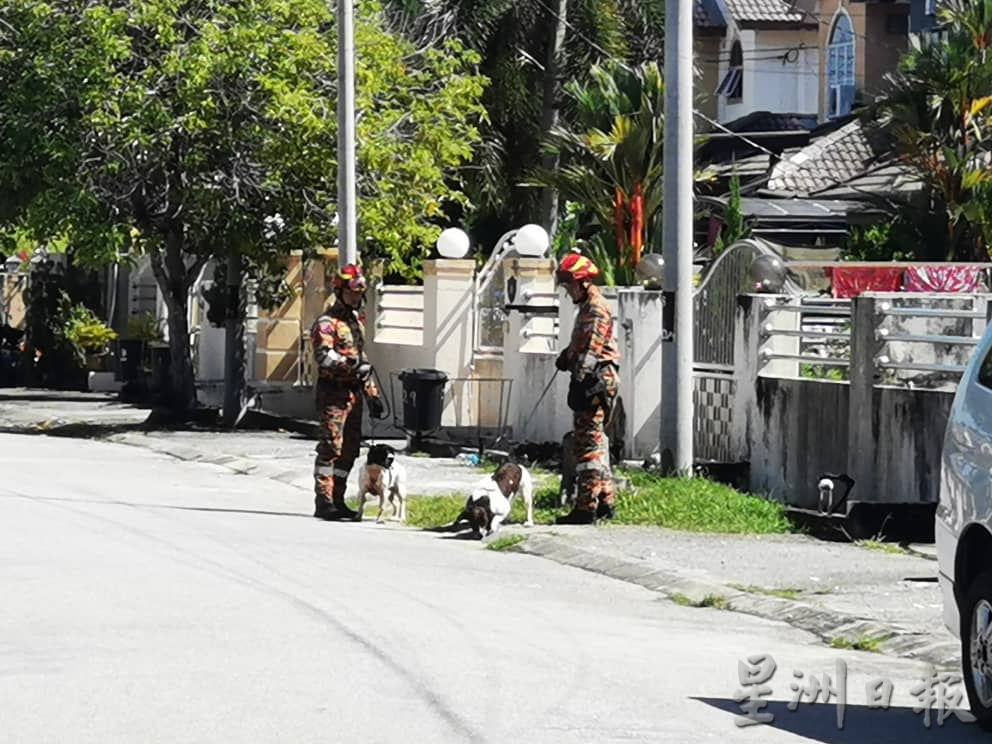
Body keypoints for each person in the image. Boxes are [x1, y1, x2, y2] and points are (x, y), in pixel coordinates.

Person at [310, 263, 386, 521]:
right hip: (334, 393)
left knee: (350, 449)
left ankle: (339, 499)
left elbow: (361, 359)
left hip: (354, 394)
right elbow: (324, 356)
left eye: (359, 293)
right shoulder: (326, 323)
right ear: (340, 291)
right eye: (352, 293)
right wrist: (348, 364)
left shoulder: (355, 324)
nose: (356, 297)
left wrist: (372, 394)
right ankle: (324, 500)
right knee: (331, 446)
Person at [553, 250, 621, 525]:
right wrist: (567, 356)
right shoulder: (587, 306)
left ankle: (585, 507)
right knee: (593, 441)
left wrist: (579, 376)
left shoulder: (595, 307)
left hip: (595, 381)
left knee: (587, 445)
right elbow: (582, 344)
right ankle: (605, 499)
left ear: (582, 282)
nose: (567, 290)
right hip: (595, 378)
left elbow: (592, 349)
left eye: (569, 284)